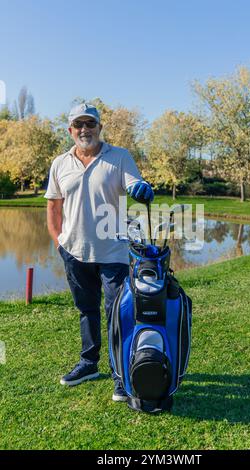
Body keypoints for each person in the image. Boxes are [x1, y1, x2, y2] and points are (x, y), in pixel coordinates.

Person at [45, 103, 154, 402]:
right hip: (74, 251)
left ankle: (121, 374)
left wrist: (141, 189)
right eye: (78, 125)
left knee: (117, 313)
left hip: (113, 252)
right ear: (70, 130)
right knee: (87, 311)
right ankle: (89, 363)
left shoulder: (119, 157)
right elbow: (54, 206)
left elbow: (135, 184)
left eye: (90, 124)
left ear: (99, 128)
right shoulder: (60, 163)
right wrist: (59, 242)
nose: (84, 130)